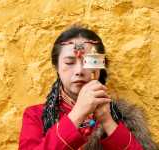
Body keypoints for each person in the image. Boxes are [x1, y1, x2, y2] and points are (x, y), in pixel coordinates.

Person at [19, 26, 157, 150]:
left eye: (89, 62)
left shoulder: (121, 115)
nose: (79, 70)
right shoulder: (36, 116)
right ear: (57, 67)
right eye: (69, 62)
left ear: (100, 67)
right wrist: (77, 114)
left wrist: (108, 121)